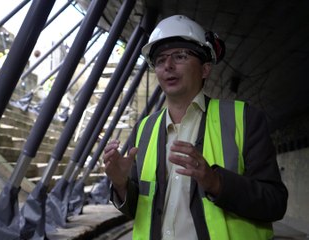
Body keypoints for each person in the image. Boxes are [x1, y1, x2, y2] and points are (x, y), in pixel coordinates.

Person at [103, 15, 288, 240]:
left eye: (180, 56)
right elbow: (139, 210)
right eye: (160, 60)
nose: (168, 66)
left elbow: (275, 202)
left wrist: (216, 182)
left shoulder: (244, 118)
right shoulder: (144, 130)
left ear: (205, 70)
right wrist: (121, 185)